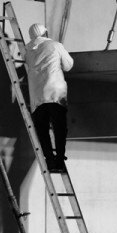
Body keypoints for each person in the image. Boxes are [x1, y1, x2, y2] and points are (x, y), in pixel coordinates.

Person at [23, 23, 73, 172]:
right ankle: (59, 160)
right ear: (45, 32)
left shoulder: (28, 51)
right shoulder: (55, 45)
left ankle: (49, 160)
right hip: (55, 93)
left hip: (37, 96)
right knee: (59, 128)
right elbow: (68, 65)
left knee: (42, 130)